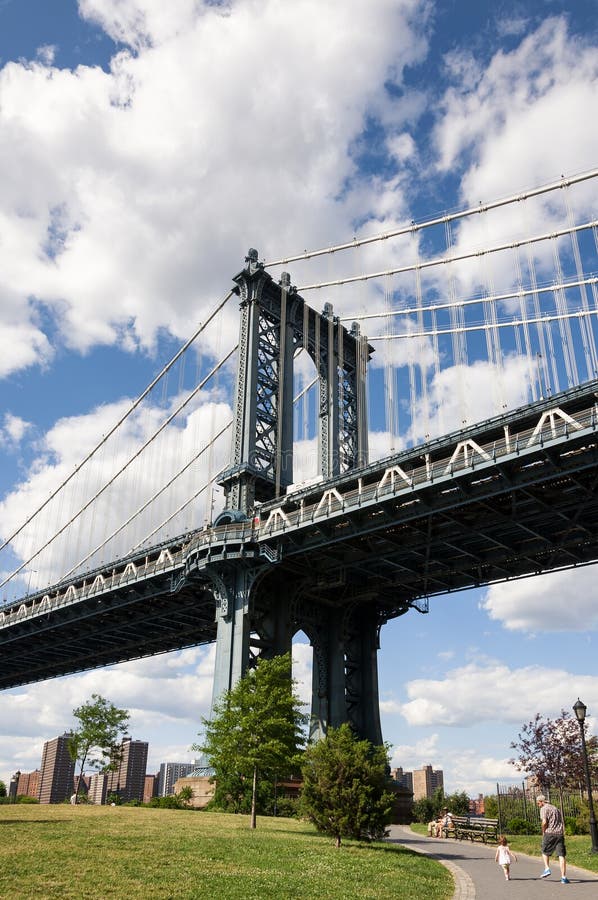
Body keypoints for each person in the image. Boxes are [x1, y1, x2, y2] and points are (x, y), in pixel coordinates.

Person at [536, 794, 569, 884]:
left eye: (538, 803)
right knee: (561, 855)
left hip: (550, 833)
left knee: (544, 850)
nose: (538, 805)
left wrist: (543, 831)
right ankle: (563, 877)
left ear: (542, 802)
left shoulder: (543, 809)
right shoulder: (555, 808)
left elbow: (544, 822)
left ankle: (547, 868)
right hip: (559, 834)